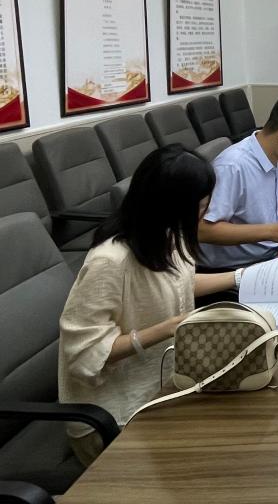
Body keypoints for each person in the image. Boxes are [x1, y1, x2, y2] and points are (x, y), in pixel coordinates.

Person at [58, 145, 238, 466]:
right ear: (170, 206)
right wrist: (169, 327)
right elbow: (86, 354)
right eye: (200, 205)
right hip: (113, 411)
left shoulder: (169, 233)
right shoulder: (109, 262)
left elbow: (178, 284)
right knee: (214, 457)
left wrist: (241, 276)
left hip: (166, 382)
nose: (206, 210)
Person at [197, 92, 278, 270]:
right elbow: (203, 230)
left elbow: (265, 204)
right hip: (235, 269)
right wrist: (272, 231)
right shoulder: (233, 166)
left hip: (273, 255)